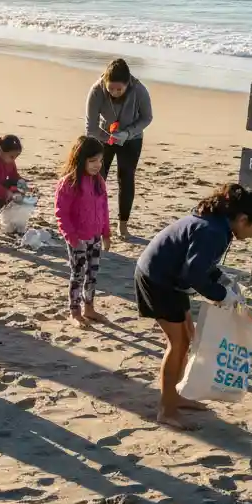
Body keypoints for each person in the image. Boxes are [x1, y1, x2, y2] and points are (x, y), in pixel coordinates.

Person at [135, 183, 252, 429]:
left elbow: (198, 263)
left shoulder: (218, 223)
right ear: (243, 219)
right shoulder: (214, 232)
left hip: (171, 278)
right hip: (157, 279)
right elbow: (194, 274)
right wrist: (221, 295)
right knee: (177, 344)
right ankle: (166, 409)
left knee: (188, 336)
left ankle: (176, 396)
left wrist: (221, 279)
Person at [85, 58, 152, 239]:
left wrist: (127, 134)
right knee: (97, 179)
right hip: (104, 136)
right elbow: (91, 127)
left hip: (131, 138)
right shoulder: (97, 90)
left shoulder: (139, 90)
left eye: (119, 89)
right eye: (111, 88)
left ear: (127, 84)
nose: (114, 93)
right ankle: (94, 219)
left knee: (126, 178)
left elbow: (147, 118)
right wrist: (109, 138)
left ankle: (123, 225)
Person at [55, 136, 111, 326]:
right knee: (77, 274)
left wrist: (106, 233)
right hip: (77, 238)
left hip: (95, 237)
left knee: (92, 274)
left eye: (100, 160)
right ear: (80, 159)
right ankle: (75, 311)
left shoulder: (99, 182)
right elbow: (61, 213)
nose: (97, 165)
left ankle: (89, 307)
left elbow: (104, 208)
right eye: (92, 160)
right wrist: (71, 237)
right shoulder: (68, 183)